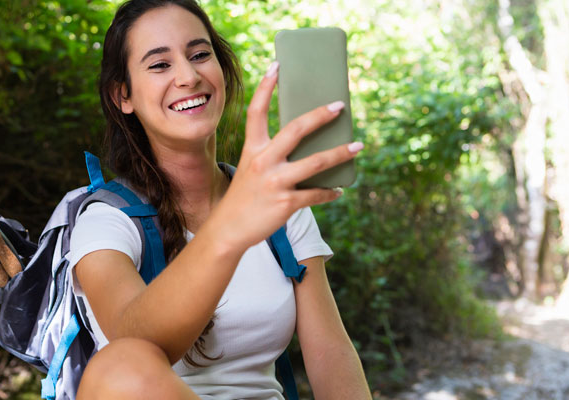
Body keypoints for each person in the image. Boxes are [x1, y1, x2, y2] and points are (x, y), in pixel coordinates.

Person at [67, 0, 371, 398]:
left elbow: (331, 352)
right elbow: (133, 341)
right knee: (119, 369)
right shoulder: (106, 221)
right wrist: (232, 228)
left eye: (199, 54)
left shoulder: (275, 203)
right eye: (160, 65)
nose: (189, 76)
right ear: (123, 95)